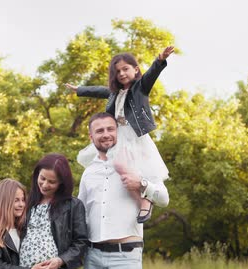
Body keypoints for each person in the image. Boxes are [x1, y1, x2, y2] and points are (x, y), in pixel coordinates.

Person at [78, 112, 169, 269]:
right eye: (99, 131)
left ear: (118, 131)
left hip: (126, 257)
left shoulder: (136, 164)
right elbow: (80, 216)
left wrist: (142, 183)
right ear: (91, 137)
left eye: (110, 129)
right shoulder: (88, 174)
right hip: (93, 258)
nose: (106, 134)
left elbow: (164, 199)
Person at [66, 46, 174, 223]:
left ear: (135, 70)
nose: (122, 73)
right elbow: (100, 91)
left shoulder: (140, 88)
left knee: (140, 169)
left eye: (126, 69)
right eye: (118, 71)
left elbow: (151, 76)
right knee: (120, 168)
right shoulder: (115, 93)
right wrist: (80, 90)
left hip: (135, 135)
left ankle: (146, 203)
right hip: (119, 135)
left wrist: (160, 60)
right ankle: (125, 200)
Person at [18, 153, 89, 269]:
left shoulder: (73, 206)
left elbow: (81, 243)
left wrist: (59, 261)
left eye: (52, 182)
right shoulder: (28, 204)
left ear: (62, 184)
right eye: (42, 178)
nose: (44, 184)